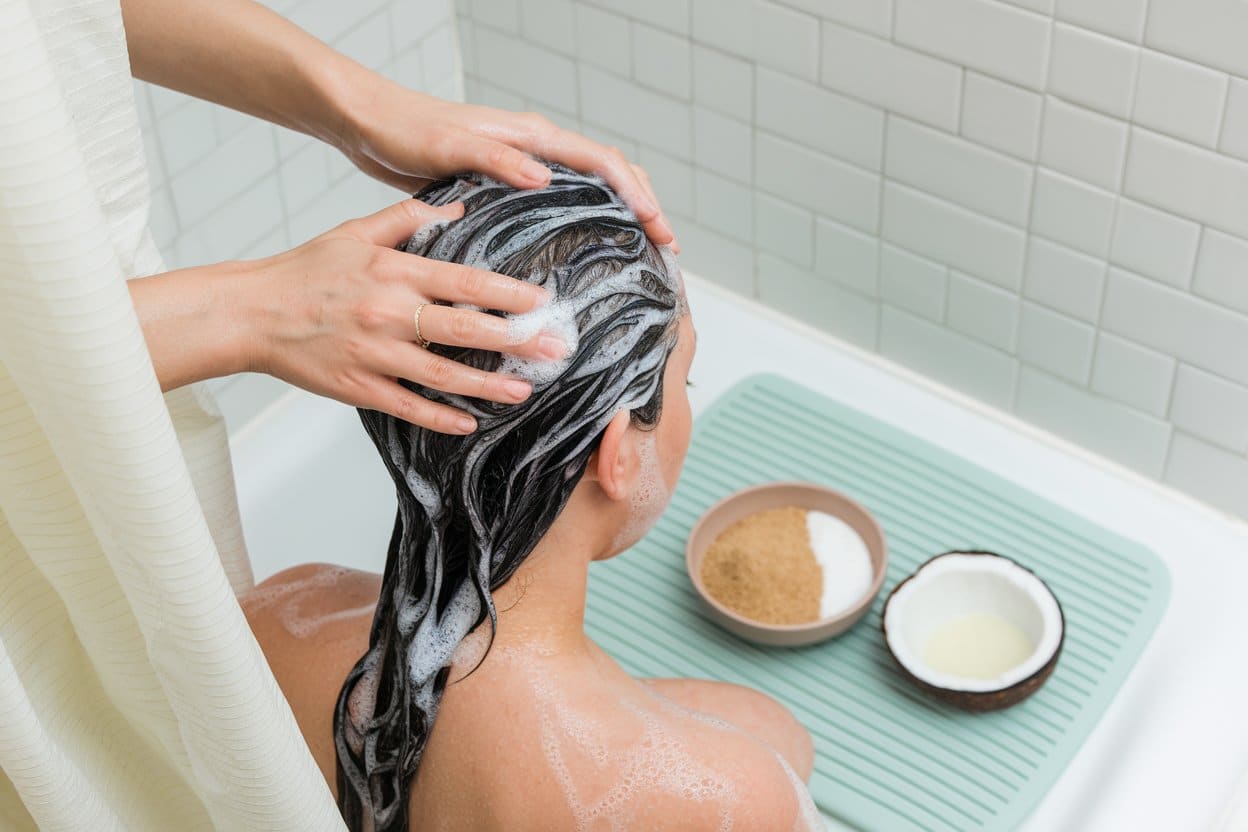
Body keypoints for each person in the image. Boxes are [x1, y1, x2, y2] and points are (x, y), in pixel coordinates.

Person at [241, 167, 821, 832]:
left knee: (771, 728)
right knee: (783, 741)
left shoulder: (275, 620)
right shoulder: (731, 799)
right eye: (686, 383)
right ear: (619, 451)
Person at [120, 0, 676, 433]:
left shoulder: (304, 582)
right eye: (684, 382)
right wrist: (255, 311)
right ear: (616, 453)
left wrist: (365, 109)